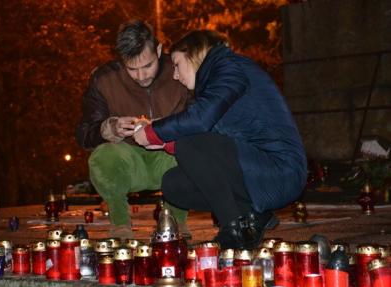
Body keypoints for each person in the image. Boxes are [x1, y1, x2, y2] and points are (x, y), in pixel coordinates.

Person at [134, 30, 307, 249]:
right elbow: (214, 138)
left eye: (177, 64)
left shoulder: (229, 67)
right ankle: (251, 217)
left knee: (189, 142)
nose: (175, 75)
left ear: (195, 53)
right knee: (174, 185)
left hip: (280, 170)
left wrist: (152, 132)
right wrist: (163, 141)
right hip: (255, 166)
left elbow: (200, 121)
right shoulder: (217, 80)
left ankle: (233, 229)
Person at [76, 20, 191, 239]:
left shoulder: (179, 71)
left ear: (158, 50)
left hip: (169, 156)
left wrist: (164, 128)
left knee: (194, 149)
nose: (141, 76)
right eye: (132, 69)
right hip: (128, 159)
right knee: (102, 158)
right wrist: (110, 128)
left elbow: (202, 116)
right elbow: (83, 134)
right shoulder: (104, 79)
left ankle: (176, 221)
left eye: (147, 66)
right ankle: (120, 224)